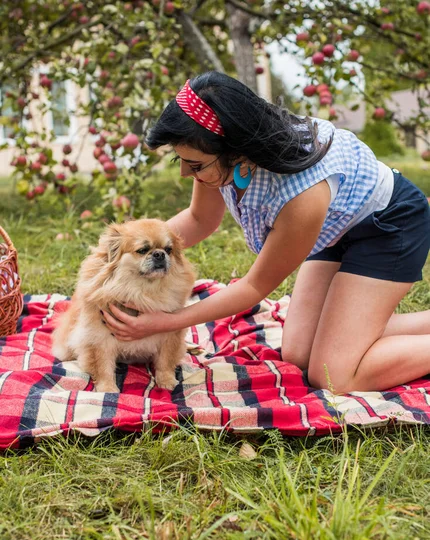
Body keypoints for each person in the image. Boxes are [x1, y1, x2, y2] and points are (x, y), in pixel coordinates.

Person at [101, 71, 430, 394]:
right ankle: (356, 330)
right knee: (300, 354)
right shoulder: (222, 156)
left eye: (196, 165)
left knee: (333, 377)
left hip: (388, 227)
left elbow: (254, 286)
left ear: (238, 151)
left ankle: (356, 335)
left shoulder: (303, 194)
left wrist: (167, 321)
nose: (187, 172)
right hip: (336, 230)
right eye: (181, 160)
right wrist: (119, 251)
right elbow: (200, 220)